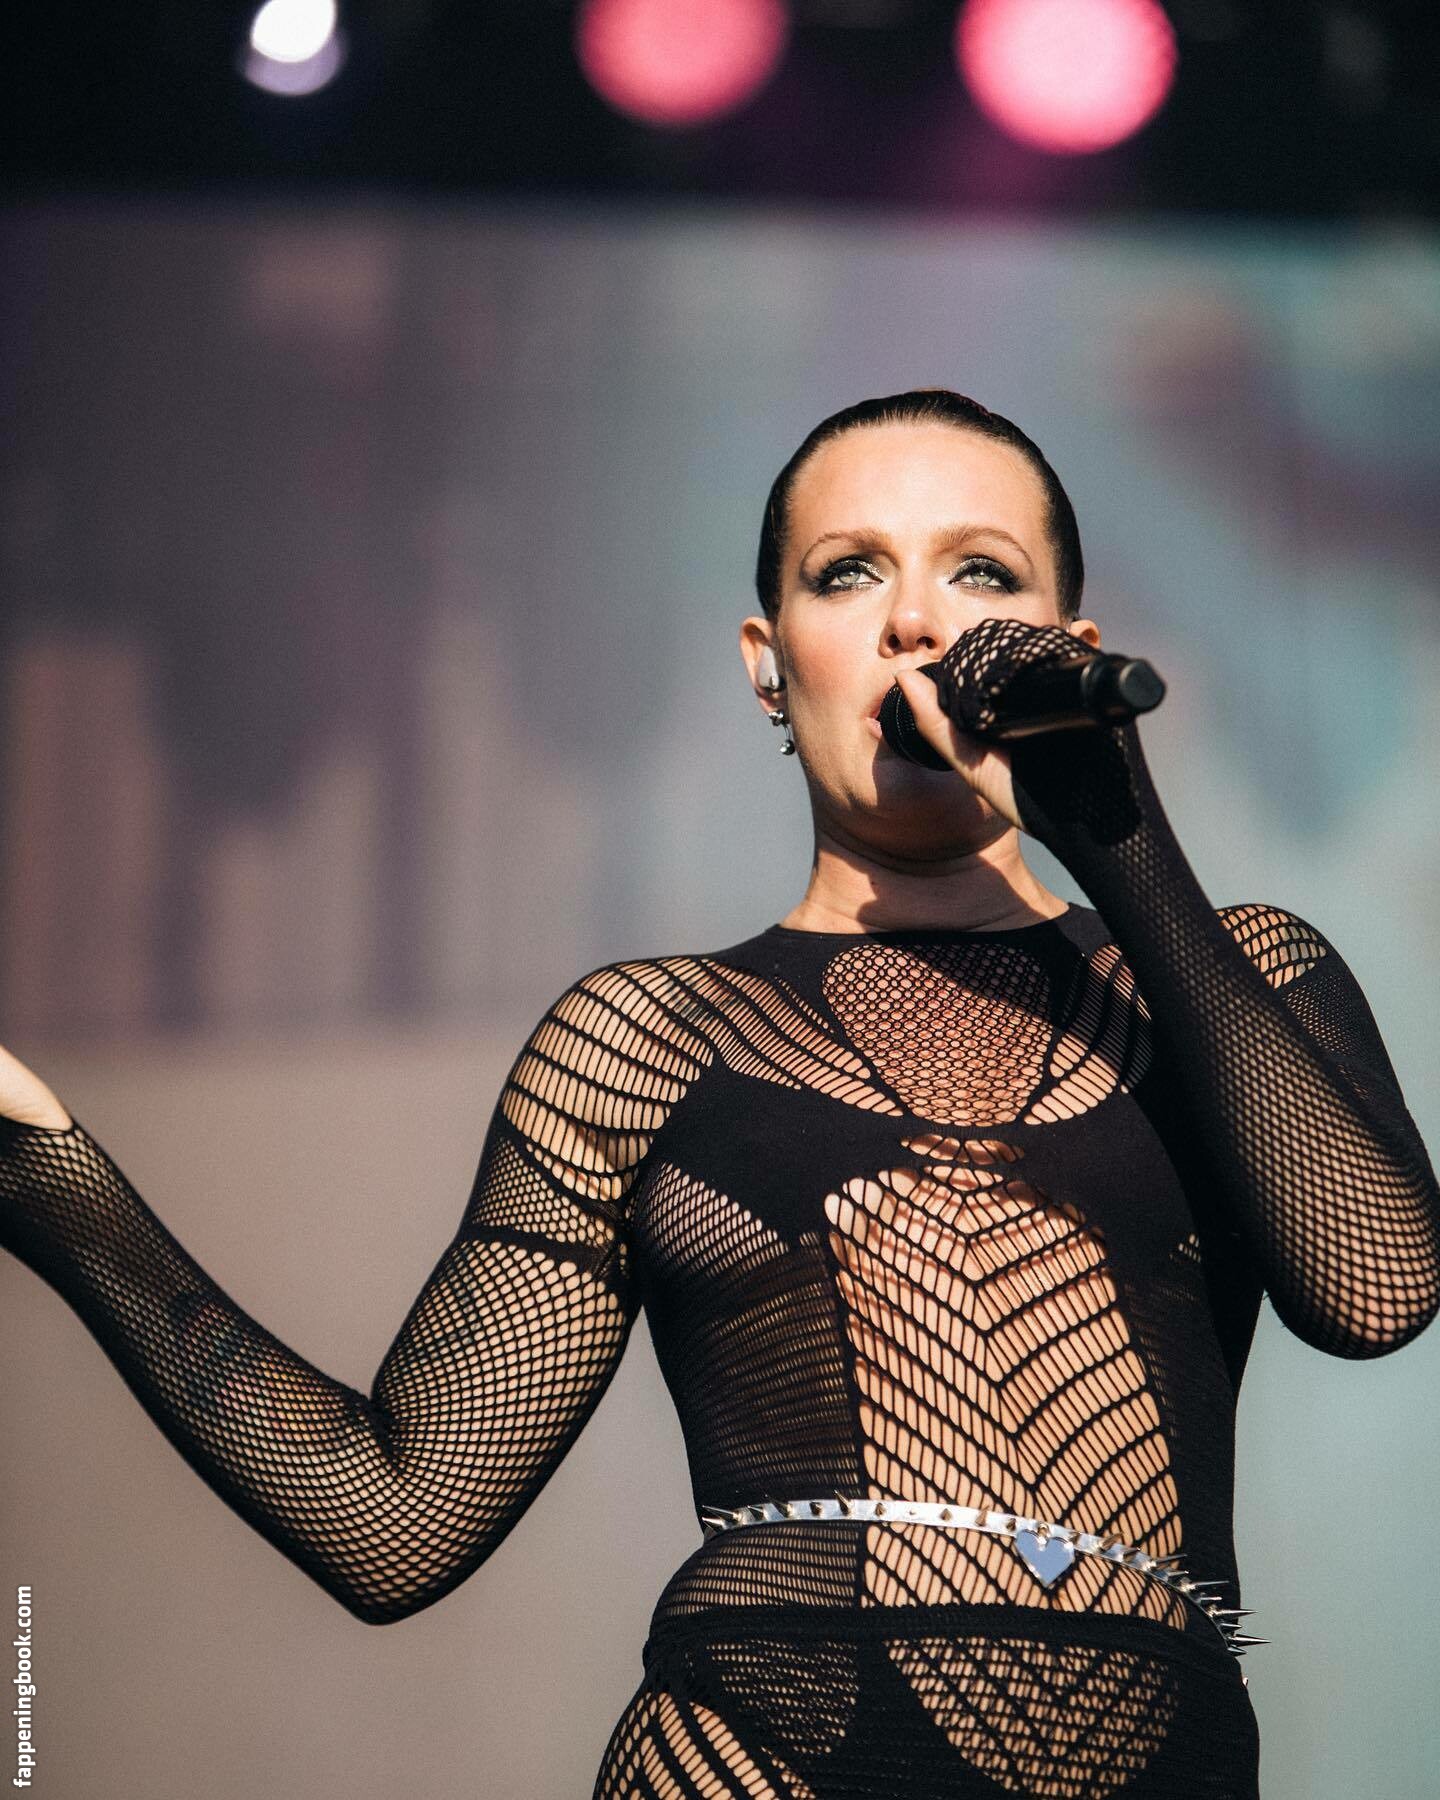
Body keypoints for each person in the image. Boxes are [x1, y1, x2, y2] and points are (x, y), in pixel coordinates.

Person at [2, 387, 1437, 1800]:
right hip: (754, 1750)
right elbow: (392, 1521)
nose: (917, 622)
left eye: (982, 574)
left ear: (1070, 648)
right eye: (849, 573)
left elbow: (1373, 1289)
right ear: (769, 663)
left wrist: (1113, 831)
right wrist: (50, 1182)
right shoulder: (649, 1035)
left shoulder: (1235, 976)